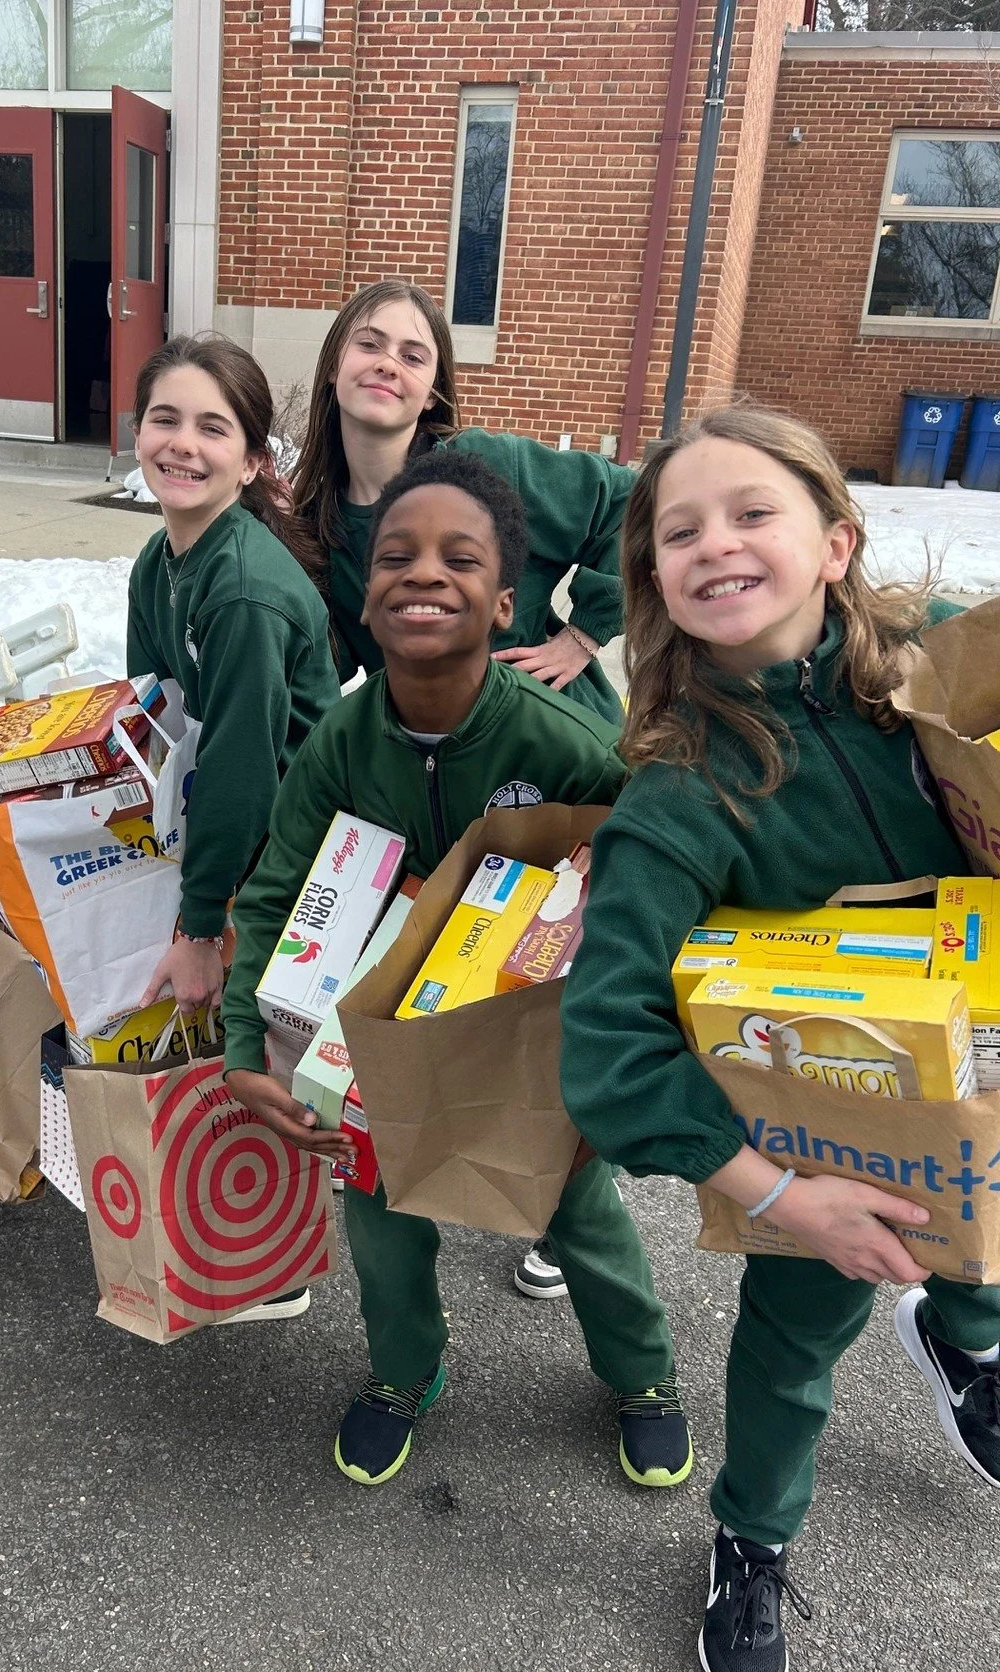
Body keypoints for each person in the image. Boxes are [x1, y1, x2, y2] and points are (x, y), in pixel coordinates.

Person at [559, 405, 1000, 1672]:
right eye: (677, 532)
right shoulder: (683, 795)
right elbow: (607, 1052)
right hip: (828, 1142)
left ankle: (968, 1339)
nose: (714, 544)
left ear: (835, 541)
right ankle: (753, 1543)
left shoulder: (950, 675)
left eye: (750, 512)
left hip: (998, 1057)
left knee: (993, 1239)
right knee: (796, 1341)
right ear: (651, 583)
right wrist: (780, 1195)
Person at [224, 451, 691, 1489]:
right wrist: (245, 1050)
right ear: (365, 586)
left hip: (529, 1027)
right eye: (396, 554)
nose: (423, 573)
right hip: (380, 1032)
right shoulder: (341, 742)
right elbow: (272, 894)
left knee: (576, 1208)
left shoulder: (568, 740)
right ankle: (405, 1371)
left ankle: (643, 1374)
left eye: (458, 558)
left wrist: (623, 1046)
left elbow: (657, 877)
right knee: (381, 1216)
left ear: (506, 599)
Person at [290, 278, 633, 1303]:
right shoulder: (316, 512)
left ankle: (576, 1184)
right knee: (476, 966)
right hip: (438, 767)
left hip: (543, 749)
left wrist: (585, 629)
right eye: (369, 342)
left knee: (568, 970)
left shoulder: (487, 472)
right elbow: (329, 665)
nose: (387, 362)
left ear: (436, 385)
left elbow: (627, 503)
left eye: (413, 351)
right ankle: (473, 1157)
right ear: (335, 365)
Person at [125, 333, 341, 1324]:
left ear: (254, 460)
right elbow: (146, 713)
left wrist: (203, 919)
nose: (182, 443)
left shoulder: (245, 589)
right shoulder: (157, 560)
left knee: (261, 1048)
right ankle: (223, 1219)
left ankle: (276, 1262)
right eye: (165, 418)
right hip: (215, 824)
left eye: (214, 427)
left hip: (282, 850)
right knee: (227, 1044)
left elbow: (251, 774)